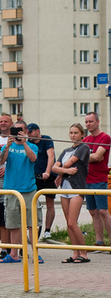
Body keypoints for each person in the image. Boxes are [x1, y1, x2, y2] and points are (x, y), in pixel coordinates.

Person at [0, 121, 43, 263]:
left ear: (26, 131)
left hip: (29, 189)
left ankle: (35, 252)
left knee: (32, 222)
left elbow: (33, 158)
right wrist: (7, 145)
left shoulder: (32, 146)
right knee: (13, 223)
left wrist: (24, 143)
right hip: (11, 189)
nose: (18, 132)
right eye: (15, 130)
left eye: (21, 130)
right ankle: (14, 254)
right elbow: (1, 161)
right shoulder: (7, 146)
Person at [52, 123, 91, 263]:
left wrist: (61, 170)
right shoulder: (66, 150)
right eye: (71, 132)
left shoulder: (83, 148)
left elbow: (68, 163)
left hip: (76, 188)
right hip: (64, 188)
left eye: (76, 133)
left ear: (82, 134)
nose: (73, 135)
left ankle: (84, 253)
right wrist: (65, 172)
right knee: (68, 224)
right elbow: (54, 168)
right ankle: (75, 252)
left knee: (72, 222)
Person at [83, 112, 111, 247]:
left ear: (98, 122)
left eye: (91, 121)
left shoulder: (105, 137)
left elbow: (98, 156)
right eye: (86, 122)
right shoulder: (84, 140)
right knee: (93, 211)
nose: (88, 124)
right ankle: (100, 242)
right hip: (86, 180)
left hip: (99, 179)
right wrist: (92, 157)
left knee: (103, 211)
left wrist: (87, 157)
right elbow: (92, 157)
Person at [27, 122, 56, 239]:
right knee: (33, 203)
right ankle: (34, 229)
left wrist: (48, 172)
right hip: (35, 176)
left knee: (50, 203)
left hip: (47, 176)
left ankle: (47, 230)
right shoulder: (29, 143)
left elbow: (51, 156)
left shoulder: (46, 140)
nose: (29, 135)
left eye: (30, 132)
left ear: (37, 131)